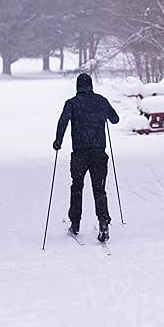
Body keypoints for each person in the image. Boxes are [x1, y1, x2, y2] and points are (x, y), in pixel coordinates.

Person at [54, 73, 120, 242]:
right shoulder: (101, 101)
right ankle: (103, 221)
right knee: (99, 189)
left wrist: (58, 141)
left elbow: (63, 122)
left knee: (77, 187)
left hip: (80, 154)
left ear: (77, 86)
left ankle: (75, 223)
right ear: (91, 86)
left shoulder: (72, 103)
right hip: (99, 152)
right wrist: (101, 114)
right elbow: (115, 119)